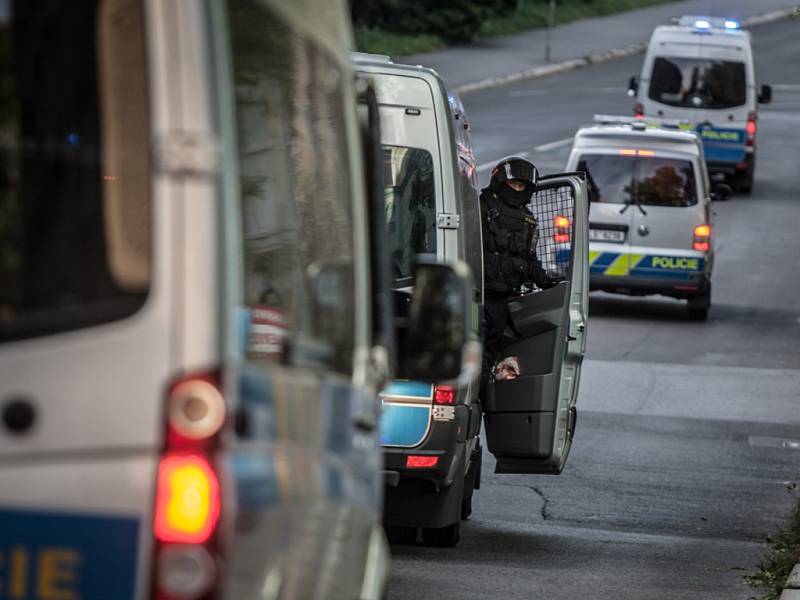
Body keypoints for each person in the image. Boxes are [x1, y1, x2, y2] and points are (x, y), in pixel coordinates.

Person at [480, 156, 552, 385]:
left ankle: (478, 395)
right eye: (514, 184)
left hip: (503, 299)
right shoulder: (480, 207)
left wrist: (546, 280)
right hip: (476, 293)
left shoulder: (528, 221)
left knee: (490, 350)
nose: (518, 189)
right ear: (501, 182)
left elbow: (529, 258)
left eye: (522, 186)